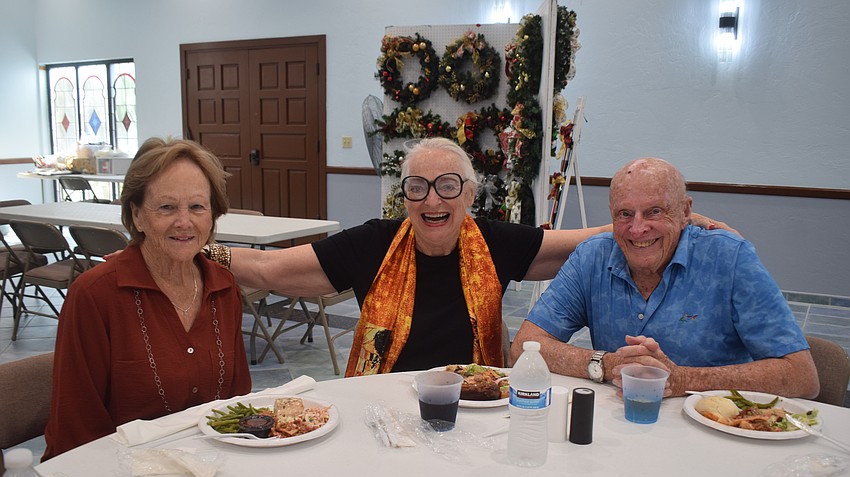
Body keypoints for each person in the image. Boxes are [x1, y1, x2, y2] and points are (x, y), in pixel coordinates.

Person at [217, 138, 726, 376]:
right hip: (382, 403)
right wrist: (201, 248)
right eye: (418, 187)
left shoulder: (492, 243)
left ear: (469, 195)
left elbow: (576, 241)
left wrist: (658, 222)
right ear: (405, 196)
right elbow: (268, 269)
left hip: (477, 403)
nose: (433, 200)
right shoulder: (373, 242)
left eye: (447, 186)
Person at [511, 157, 819, 399]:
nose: (637, 229)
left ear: (686, 212)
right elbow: (524, 346)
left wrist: (684, 379)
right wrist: (606, 364)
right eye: (624, 214)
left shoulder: (729, 258)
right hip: (619, 429)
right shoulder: (592, 257)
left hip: (712, 430)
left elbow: (801, 376)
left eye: (655, 211)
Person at [43, 138, 252, 459]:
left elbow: (236, 405)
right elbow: (76, 426)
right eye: (166, 207)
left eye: (197, 207)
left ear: (213, 216)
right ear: (137, 215)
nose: (184, 222)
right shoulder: (95, 295)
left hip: (211, 470)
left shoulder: (223, 286)